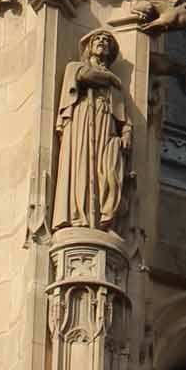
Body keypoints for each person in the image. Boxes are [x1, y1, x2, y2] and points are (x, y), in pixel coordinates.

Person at [52, 30, 132, 230]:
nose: (102, 42)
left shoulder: (114, 85)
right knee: (81, 164)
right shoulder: (75, 67)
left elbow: (124, 117)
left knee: (107, 169)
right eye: (98, 39)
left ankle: (102, 217)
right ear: (89, 46)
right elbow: (85, 76)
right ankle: (78, 215)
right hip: (82, 120)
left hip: (106, 123)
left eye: (107, 40)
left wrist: (127, 133)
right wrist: (112, 79)